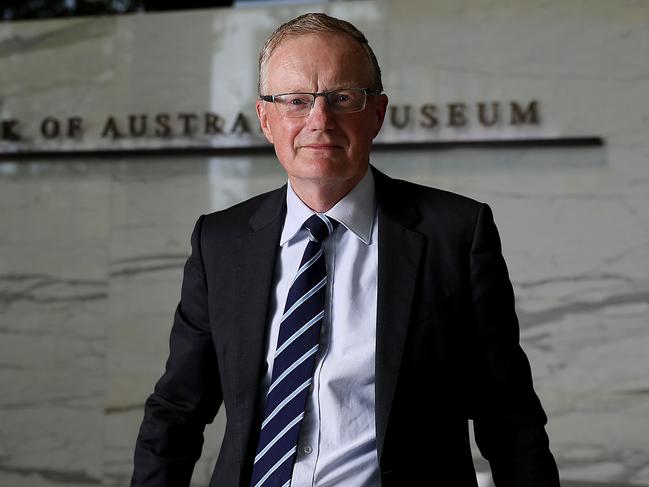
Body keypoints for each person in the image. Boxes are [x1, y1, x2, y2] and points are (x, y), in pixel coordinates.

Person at [132, 12, 560, 487]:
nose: (319, 120)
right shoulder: (220, 242)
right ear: (266, 119)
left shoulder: (455, 235)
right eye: (295, 101)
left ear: (377, 113)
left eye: (342, 98)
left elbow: (509, 418)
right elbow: (176, 412)